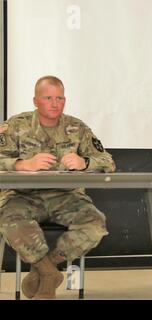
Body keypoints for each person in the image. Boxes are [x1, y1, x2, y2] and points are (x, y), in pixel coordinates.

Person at [0, 75, 116, 299]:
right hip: (22, 196)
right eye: (48, 98)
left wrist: (86, 163)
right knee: (10, 219)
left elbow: (108, 161)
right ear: (35, 101)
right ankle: (48, 273)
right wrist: (22, 164)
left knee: (95, 223)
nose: (55, 103)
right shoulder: (15, 126)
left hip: (66, 196)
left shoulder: (77, 128)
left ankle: (47, 268)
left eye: (60, 98)